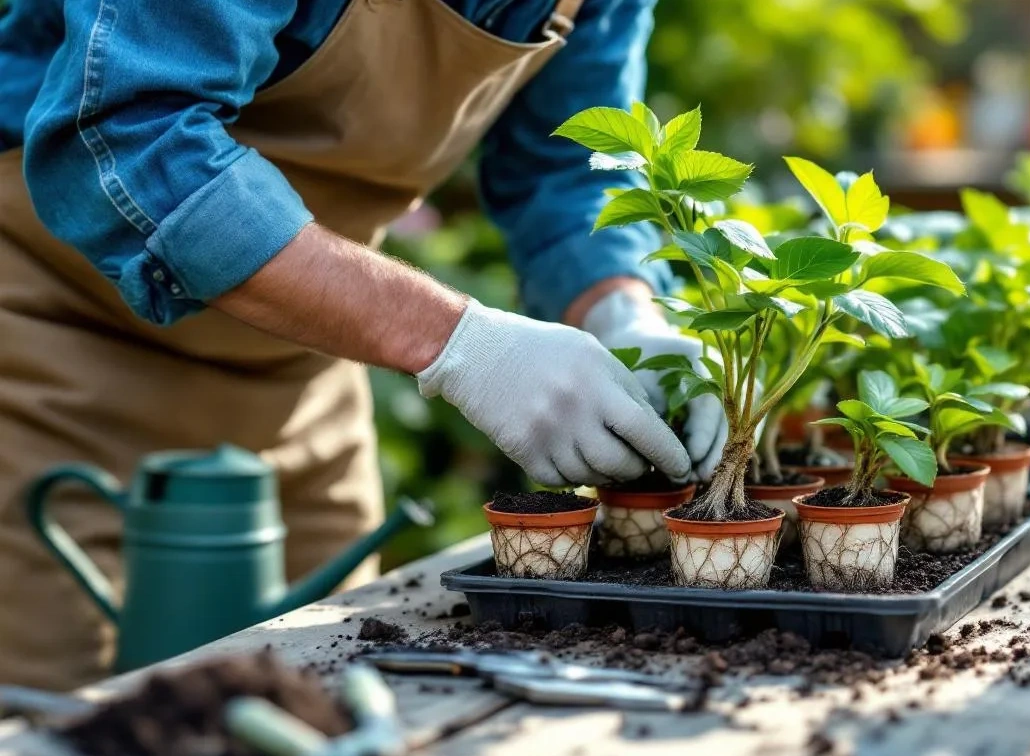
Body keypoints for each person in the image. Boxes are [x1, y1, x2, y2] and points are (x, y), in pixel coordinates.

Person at [0, 0, 724, 690]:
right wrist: (461, 342)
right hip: (50, 348)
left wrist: (623, 311)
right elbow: (135, 138)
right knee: (57, 715)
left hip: (297, 370)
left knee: (333, 692)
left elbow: (566, 168)